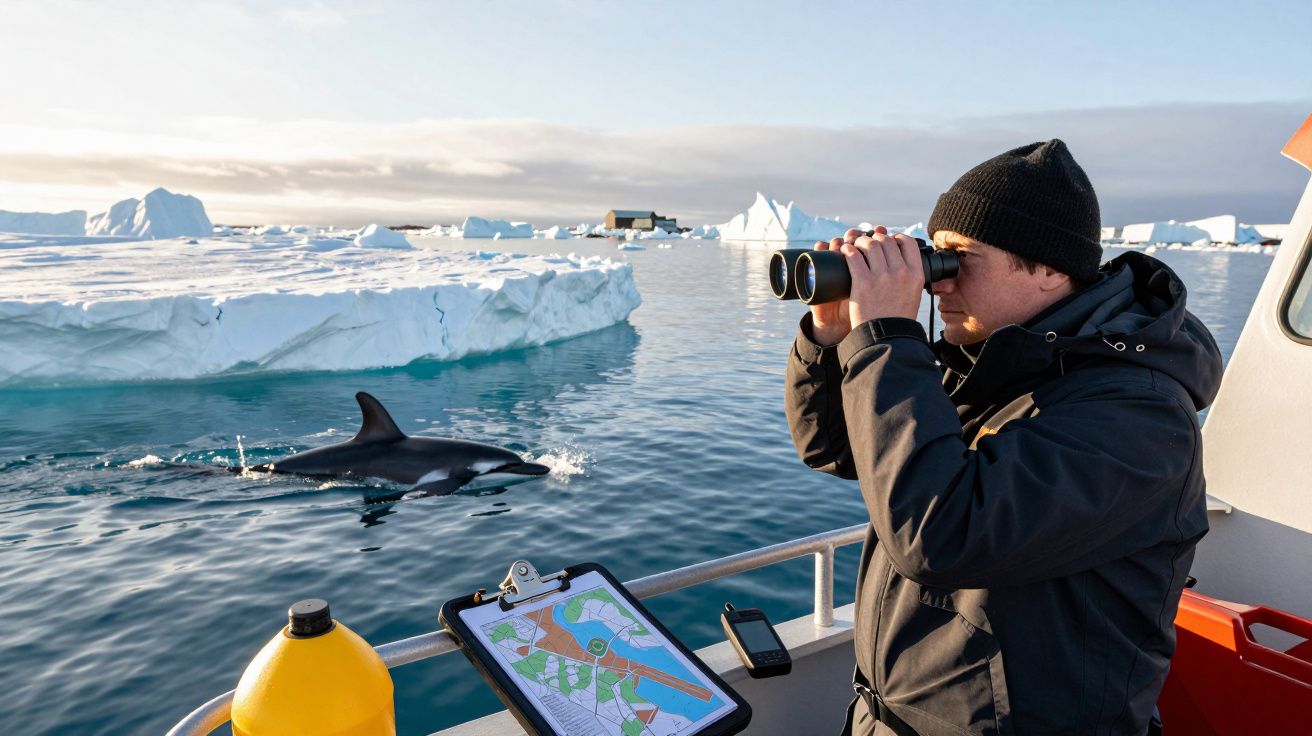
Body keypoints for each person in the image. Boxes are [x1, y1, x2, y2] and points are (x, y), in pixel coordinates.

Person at [784, 139, 1223, 735]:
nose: (938, 284)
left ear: (1048, 269)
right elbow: (833, 448)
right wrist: (835, 340)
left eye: (960, 258)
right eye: (933, 257)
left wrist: (888, 337)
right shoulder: (998, 363)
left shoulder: (1136, 415)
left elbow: (941, 535)